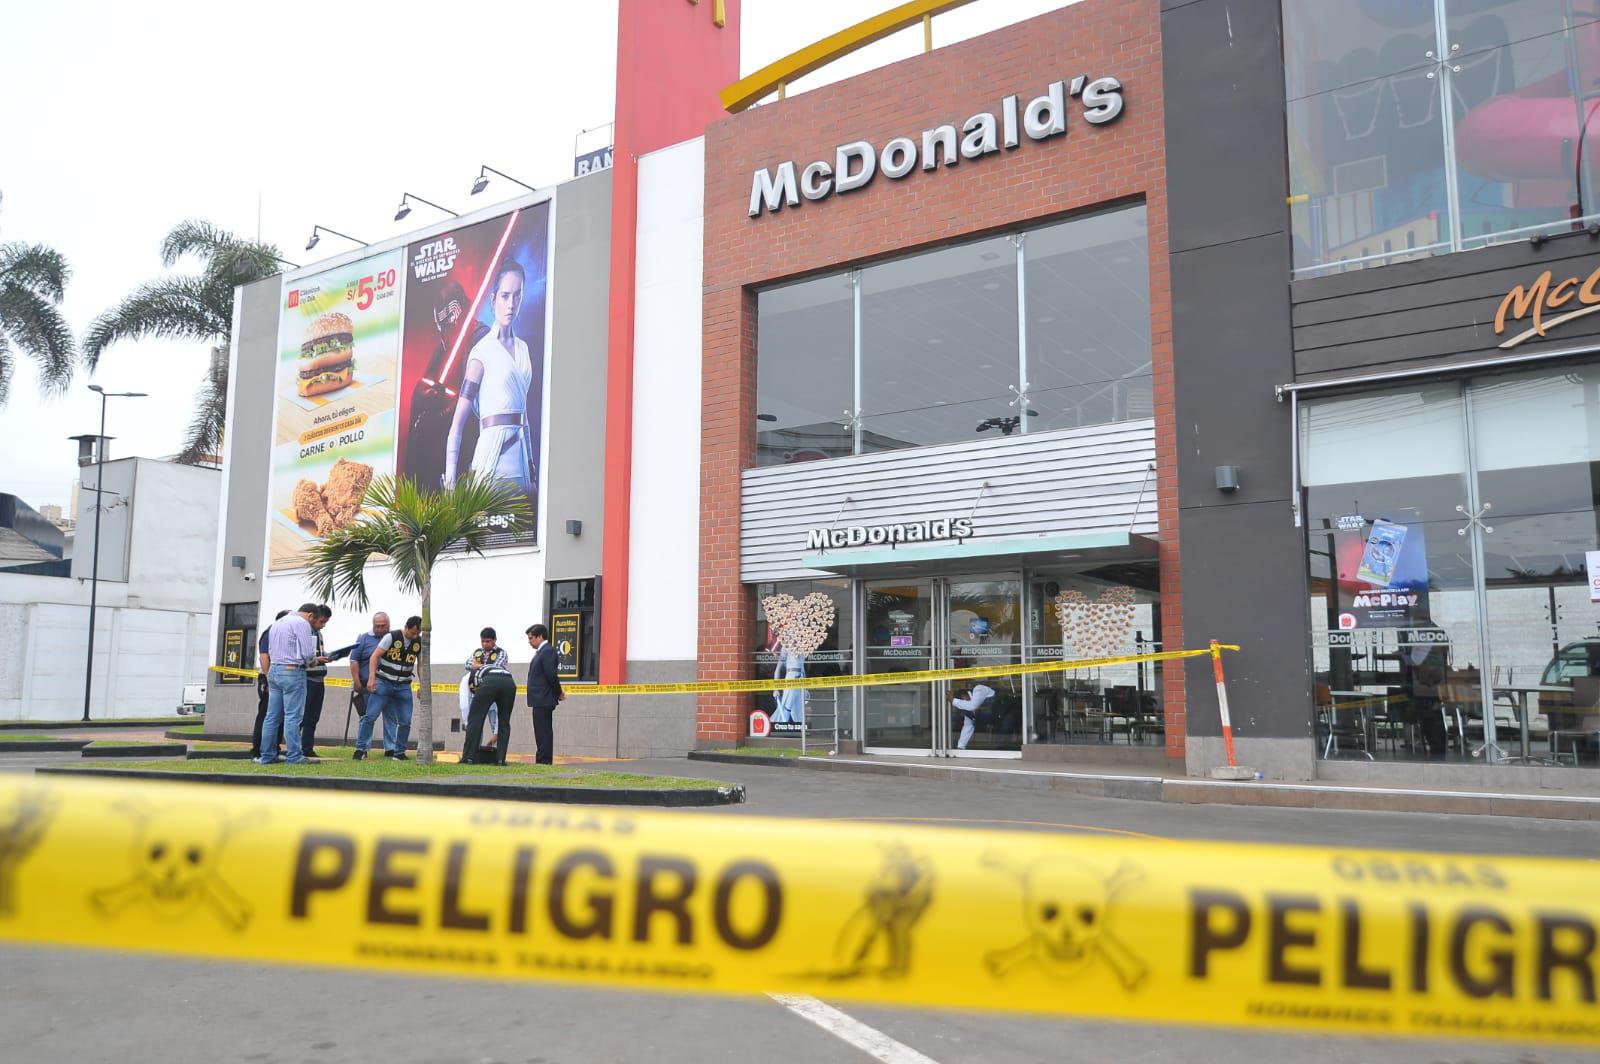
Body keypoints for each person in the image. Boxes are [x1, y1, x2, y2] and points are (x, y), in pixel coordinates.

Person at [443, 261, 534, 493]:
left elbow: (524, 416)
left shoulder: (523, 348)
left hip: (521, 458)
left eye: (517, 295)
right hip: (491, 457)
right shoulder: (481, 352)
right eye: (505, 296)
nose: (511, 304)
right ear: (493, 299)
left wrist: (532, 469)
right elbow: (457, 425)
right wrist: (451, 484)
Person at [259, 603, 319, 765]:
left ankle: (267, 755)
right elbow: (307, 653)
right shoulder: (302, 623)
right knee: (292, 717)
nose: (312, 625)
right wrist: (314, 661)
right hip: (292, 671)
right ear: (310, 616)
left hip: (274, 670)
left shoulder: (278, 623)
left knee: (271, 717)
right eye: (314, 621)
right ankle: (294, 756)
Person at [366, 615, 423, 760]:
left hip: (403, 685)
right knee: (370, 716)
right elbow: (375, 656)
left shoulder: (419, 642)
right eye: (413, 632)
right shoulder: (391, 637)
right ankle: (361, 749)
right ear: (406, 627)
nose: (414, 636)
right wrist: (372, 678)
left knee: (405, 721)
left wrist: (422, 684)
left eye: (418, 633)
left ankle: (399, 752)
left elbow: (420, 665)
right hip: (383, 682)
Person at [461, 627, 516, 765]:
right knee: (504, 722)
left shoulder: (501, 653)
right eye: (483, 641)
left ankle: (469, 757)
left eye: (488, 641)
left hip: (490, 684)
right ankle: (500, 760)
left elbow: (493, 666)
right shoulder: (477, 652)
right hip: (508, 682)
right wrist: (481, 665)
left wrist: (478, 666)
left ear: (494, 640)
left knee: (476, 719)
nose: (485, 644)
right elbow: (467, 664)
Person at [348, 613, 390, 760]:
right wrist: (357, 681)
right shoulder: (364, 638)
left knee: (390, 717)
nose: (380, 629)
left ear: (388, 624)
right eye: (377, 626)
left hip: (389, 685)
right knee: (367, 717)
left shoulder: (393, 638)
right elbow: (354, 660)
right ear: (373, 625)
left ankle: (390, 748)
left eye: (383, 626)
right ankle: (363, 748)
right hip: (367, 686)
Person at [249, 609, 290, 761]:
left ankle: (274, 749)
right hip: (270, 679)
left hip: (280, 678)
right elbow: (263, 657)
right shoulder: (271, 632)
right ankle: (258, 751)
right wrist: (269, 679)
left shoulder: (283, 634)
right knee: (267, 715)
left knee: (279, 716)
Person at [300, 605, 339, 758]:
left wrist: (332, 655)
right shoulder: (304, 631)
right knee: (302, 716)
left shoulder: (319, 634)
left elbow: (318, 653)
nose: (323, 625)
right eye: (321, 621)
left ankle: (308, 748)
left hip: (319, 680)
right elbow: (304, 656)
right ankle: (295, 749)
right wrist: (317, 660)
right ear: (314, 617)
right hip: (307, 679)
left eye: (325, 622)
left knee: (313, 717)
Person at [525, 623, 565, 765]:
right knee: (540, 732)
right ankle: (541, 758)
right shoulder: (542, 652)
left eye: (531, 638)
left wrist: (558, 692)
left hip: (544, 698)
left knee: (544, 732)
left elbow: (551, 675)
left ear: (540, 636)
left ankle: (545, 760)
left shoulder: (548, 651)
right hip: (539, 699)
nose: (529, 642)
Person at [950, 683, 996, 752]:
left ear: (964, 695)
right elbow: (967, 727)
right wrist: (960, 747)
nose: (963, 705)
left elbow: (973, 706)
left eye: (962, 701)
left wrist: (953, 701)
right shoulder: (968, 707)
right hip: (992, 719)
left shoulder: (978, 689)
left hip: (1001, 713)